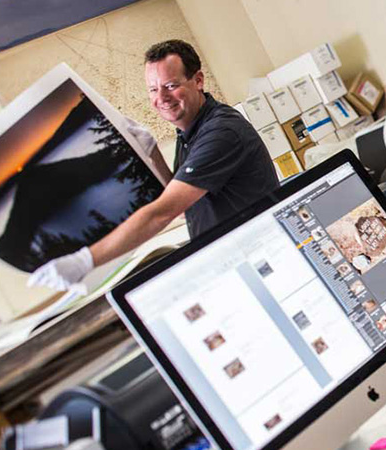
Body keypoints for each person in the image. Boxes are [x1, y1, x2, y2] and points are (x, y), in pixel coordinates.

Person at [29, 40, 278, 291]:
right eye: (153, 89)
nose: (161, 98)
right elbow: (185, 204)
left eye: (171, 85)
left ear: (199, 80)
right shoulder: (190, 132)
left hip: (261, 260)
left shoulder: (220, 132)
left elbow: (163, 211)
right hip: (231, 260)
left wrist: (85, 260)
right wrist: (152, 153)